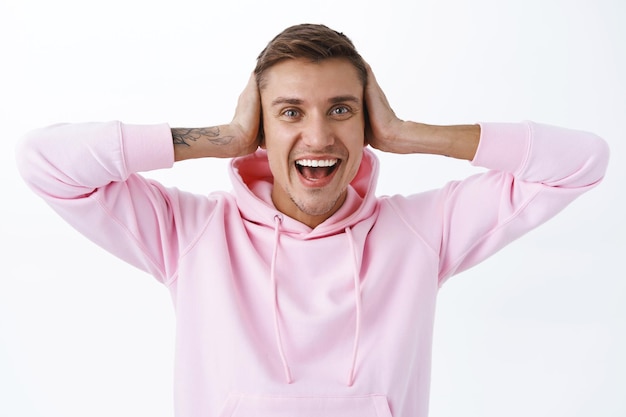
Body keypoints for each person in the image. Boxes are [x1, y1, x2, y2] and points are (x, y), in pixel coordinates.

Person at [16, 23, 609, 417]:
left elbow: (581, 163)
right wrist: (217, 138)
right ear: (260, 130)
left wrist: (408, 135)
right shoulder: (190, 234)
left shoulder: (422, 233)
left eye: (342, 110)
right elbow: (44, 163)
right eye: (290, 111)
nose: (319, 136)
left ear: (368, 124)